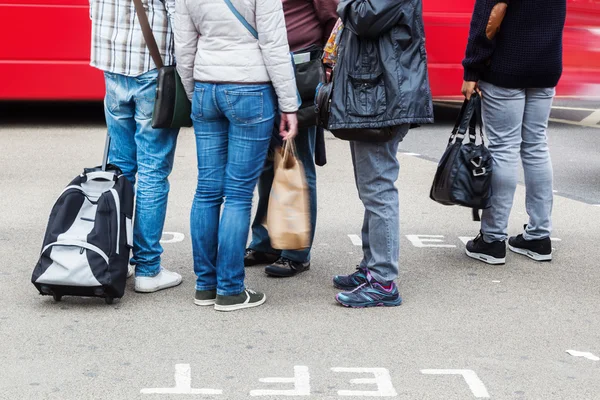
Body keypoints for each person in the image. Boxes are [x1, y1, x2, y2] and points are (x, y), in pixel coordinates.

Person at [174, 0, 299, 311]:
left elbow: (184, 48)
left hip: (206, 87)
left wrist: (195, 92)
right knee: (239, 195)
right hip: (250, 90)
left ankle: (205, 285)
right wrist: (289, 105)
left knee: (206, 191)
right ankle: (230, 289)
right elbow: (274, 45)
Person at [329, 1, 434, 308]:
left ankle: (383, 280)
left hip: (383, 98)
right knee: (371, 188)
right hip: (374, 96)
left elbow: (363, 17)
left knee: (378, 189)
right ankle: (370, 268)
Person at [462, 0, 566, 265]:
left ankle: (492, 240)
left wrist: (472, 68)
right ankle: (539, 236)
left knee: (503, 148)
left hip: (506, 66)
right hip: (547, 65)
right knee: (536, 145)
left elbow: (489, 15)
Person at [90, 0, 182, 292]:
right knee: (153, 170)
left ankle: (117, 258)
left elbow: (93, 10)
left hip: (112, 63)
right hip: (152, 68)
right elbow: (178, 16)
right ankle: (148, 269)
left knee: (121, 167)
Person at [245, 0, 339, 278]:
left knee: (296, 164)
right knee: (265, 165)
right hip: (261, 68)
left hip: (299, 70)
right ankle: (265, 243)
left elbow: (332, 19)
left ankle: (296, 252)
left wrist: (326, 64)